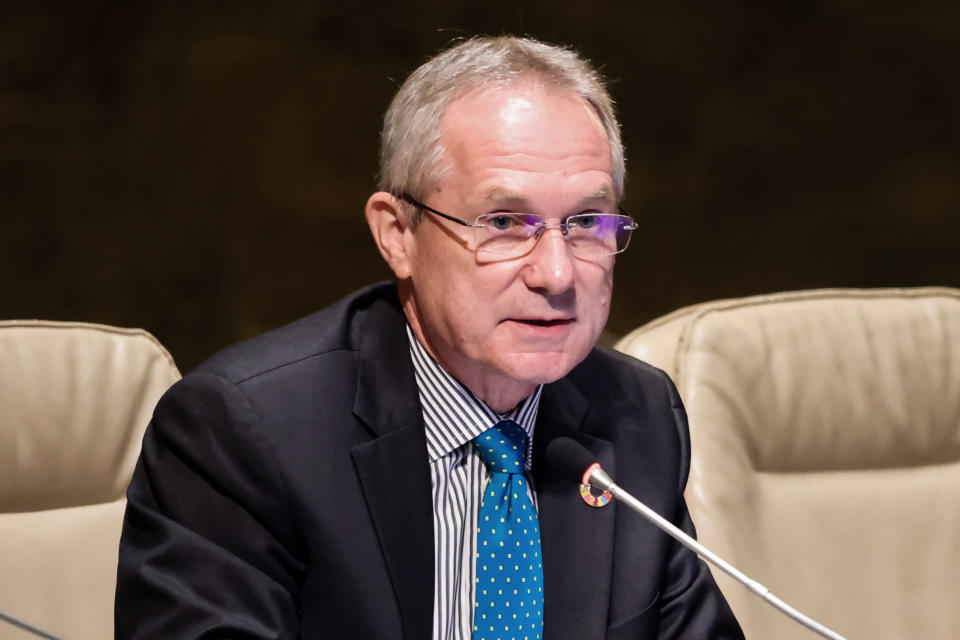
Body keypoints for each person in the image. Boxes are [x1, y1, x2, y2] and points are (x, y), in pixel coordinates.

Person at [116, 36, 743, 639]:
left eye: (584, 222)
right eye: (503, 222)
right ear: (397, 234)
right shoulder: (245, 433)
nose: (556, 273)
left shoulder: (637, 417)